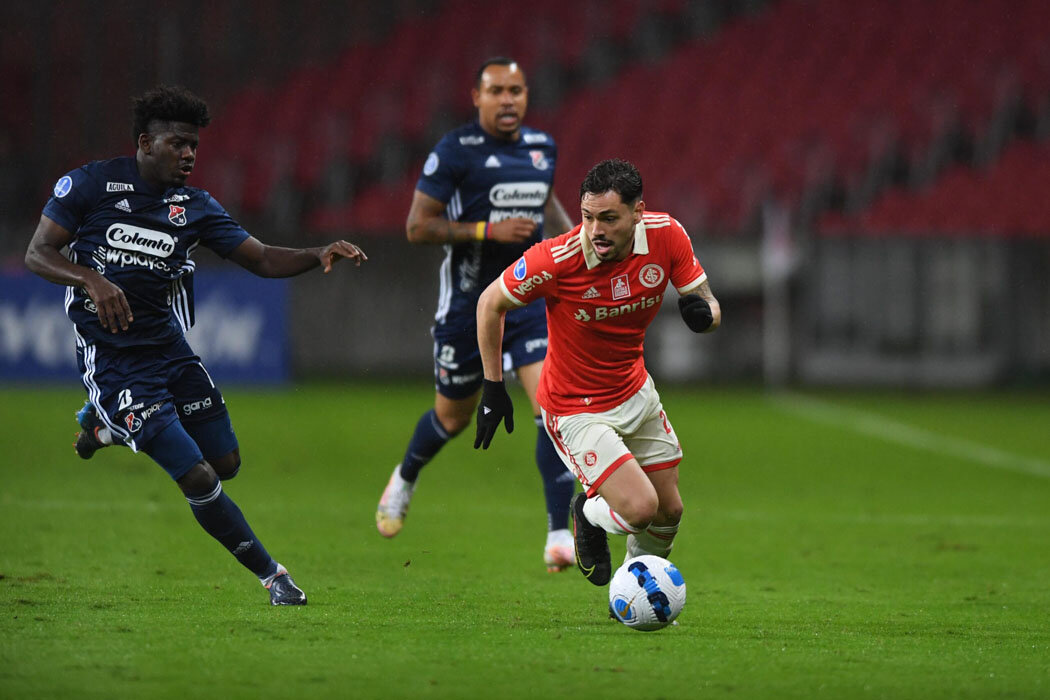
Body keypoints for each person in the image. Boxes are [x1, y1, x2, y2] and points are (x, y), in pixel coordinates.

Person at [24, 85, 368, 605]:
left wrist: (316, 252)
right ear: (146, 143)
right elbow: (38, 252)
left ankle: (104, 427)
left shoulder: (195, 206)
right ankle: (274, 577)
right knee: (199, 475)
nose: (188, 154)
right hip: (116, 363)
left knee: (226, 462)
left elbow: (261, 258)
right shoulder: (91, 184)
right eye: (178, 144)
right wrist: (91, 280)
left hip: (170, 351)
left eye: (194, 147)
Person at [473, 159, 721, 586]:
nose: (595, 230)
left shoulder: (666, 235)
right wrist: (493, 387)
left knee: (669, 511)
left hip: (634, 390)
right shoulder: (557, 259)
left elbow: (709, 303)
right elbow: (489, 304)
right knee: (640, 508)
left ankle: (633, 594)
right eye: (588, 217)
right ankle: (587, 513)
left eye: (608, 218)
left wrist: (705, 316)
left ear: (638, 212)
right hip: (575, 408)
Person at [374, 57, 579, 572]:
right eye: (497, 91)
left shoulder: (542, 147)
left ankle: (559, 534)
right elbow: (417, 227)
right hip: (469, 308)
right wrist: (487, 231)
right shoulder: (455, 151)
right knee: (453, 417)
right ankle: (405, 476)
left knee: (552, 409)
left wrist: (578, 244)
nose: (508, 99)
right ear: (477, 97)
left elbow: (546, 207)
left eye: (516, 90)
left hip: (528, 302)